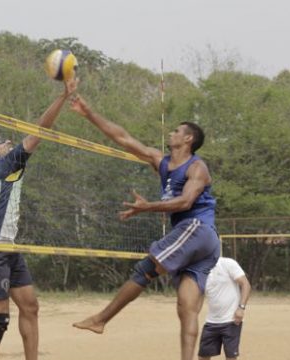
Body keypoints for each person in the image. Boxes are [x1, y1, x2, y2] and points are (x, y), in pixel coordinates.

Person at [69, 95, 220, 360]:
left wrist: (146, 206)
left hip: (196, 228)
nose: (171, 133)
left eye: (177, 130)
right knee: (187, 308)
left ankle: (101, 319)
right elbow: (123, 138)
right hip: (202, 243)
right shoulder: (160, 161)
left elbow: (185, 202)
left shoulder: (197, 167)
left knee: (145, 269)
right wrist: (89, 113)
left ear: (188, 139)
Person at [0, 78, 77, 360]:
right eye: (1, 142)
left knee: (30, 306)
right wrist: (63, 97)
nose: (8, 143)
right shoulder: (1, 164)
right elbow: (40, 130)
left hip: (7, 247)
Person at [199, 257, 251, 360]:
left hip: (231, 321)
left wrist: (241, 308)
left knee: (231, 357)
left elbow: (246, 284)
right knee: (203, 356)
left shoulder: (227, 263)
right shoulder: (200, 270)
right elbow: (199, 296)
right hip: (211, 321)